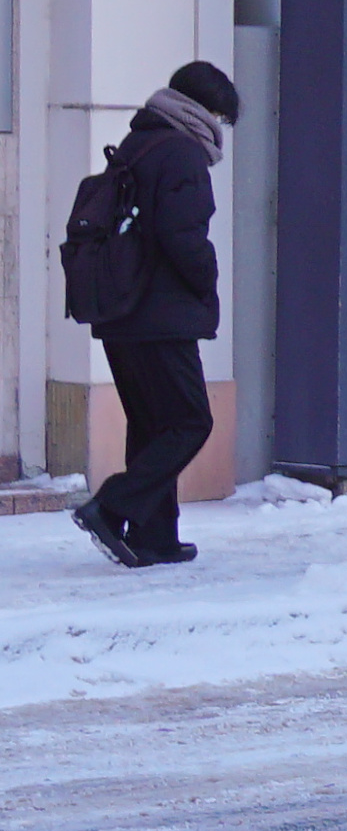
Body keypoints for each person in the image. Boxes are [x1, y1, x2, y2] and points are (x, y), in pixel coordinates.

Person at [70, 60, 235, 570]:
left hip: (122, 311)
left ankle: (155, 536)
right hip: (159, 313)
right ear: (204, 109)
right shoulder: (181, 153)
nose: (221, 128)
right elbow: (184, 237)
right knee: (189, 420)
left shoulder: (140, 142)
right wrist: (206, 283)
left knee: (151, 423)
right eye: (221, 116)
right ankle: (112, 506)